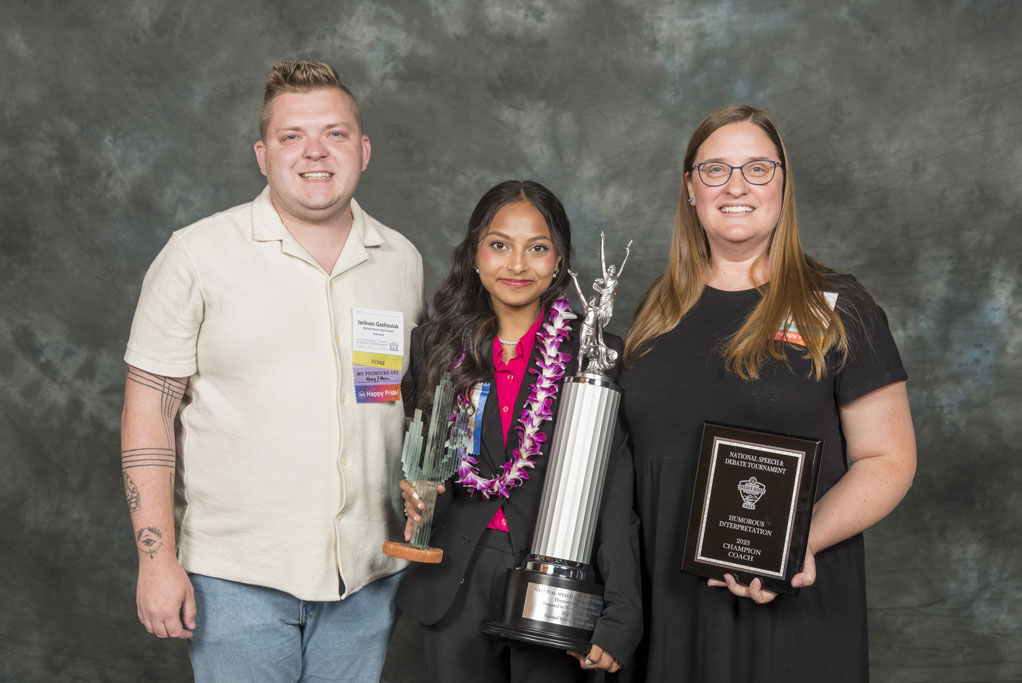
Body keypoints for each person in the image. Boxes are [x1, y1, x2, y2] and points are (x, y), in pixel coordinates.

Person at [120, 61, 423, 682]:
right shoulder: (197, 255)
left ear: (362, 150)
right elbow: (147, 412)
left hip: (369, 578)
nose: (315, 152)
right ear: (263, 154)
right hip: (236, 580)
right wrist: (155, 560)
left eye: (335, 134)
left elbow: (401, 398)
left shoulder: (401, 260)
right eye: (292, 136)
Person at [620, 104, 916, 682]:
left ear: (783, 184)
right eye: (715, 170)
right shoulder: (657, 308)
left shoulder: (838, 305)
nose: (736, 187)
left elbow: (889, 459)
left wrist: (801, 542)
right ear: (689, 187)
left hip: (789, 607)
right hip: (664, 610)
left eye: (758, 168)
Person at [394, 180, 642, 682]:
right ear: (475, 254)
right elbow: (423, 462)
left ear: (559, 261)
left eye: (538, 248)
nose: (517, 265)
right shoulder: (435, 346)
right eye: (500, 245)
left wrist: (621, 615)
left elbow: (614, 493)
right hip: (454, 575)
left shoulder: (593, 354)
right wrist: (416, 497)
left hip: (553, 587)